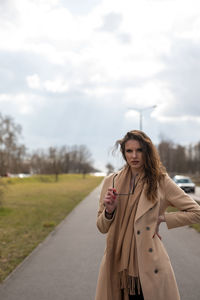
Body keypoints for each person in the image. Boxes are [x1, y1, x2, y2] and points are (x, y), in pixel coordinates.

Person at [95, 130, 200, 300]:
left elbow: (197, 212)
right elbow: (101, 227)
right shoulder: (111, 181)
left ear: (147, 152)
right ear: (124, 153)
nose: (134, 156)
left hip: (149, 265)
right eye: (129, 151)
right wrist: (109, 210)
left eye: (139, 150)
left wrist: (162, 218)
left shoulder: (161, 181)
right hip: (116, 264)